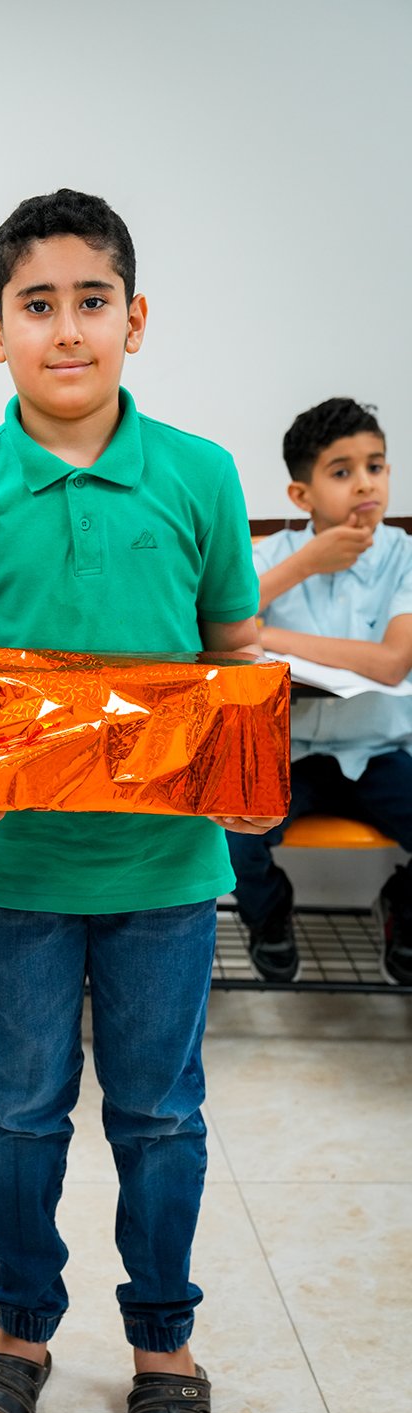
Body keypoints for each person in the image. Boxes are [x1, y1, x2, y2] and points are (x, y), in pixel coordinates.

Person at [0, 189, 280, 1413]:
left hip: (165, 872)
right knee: (20, 1112)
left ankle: (165, 1346)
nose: (66, 330)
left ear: (135, 318)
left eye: (91, 301)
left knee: (160, 1115)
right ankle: (21, 1327)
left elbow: (232, 655)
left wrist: (250, 770)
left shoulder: (201, 474)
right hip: (14, 868)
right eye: (37, 305)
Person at [226, 397, 412, 985]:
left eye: (375, 467)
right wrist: (305, 564)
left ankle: (403, 912)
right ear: (301, 495)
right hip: (292, 753)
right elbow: (221, 622)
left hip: (380, 751)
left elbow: (392, 663)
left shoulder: (405, 557)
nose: (365, 484)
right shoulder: (274, 557)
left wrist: (271, 634)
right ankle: (269, 918)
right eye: (341, 471)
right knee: (233, 828)